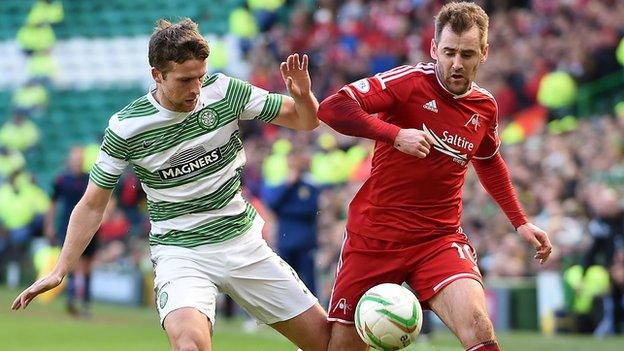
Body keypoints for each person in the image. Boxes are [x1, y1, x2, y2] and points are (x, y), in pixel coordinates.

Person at [12, 18, 330, 351]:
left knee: (329, 345)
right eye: (185, 79)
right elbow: (93, 203)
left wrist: (304, 96)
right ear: (157, 75)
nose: (196, 88)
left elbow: (306, 121)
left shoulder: (224, 92)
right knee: (190, 345)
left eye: (200, 76)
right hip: (181, 253)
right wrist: (60, 268)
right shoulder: (126, 128)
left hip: (243, 244)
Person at [316, 3, 552, 351]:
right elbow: (332, 108)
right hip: (376, 238)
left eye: (467, 54)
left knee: (478, 326)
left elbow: (489, 161)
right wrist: (395, 134)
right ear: (433, 49)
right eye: (449, 52)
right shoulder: (407, 83)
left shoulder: (484, 106)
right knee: (342, 347)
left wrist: (520, 221)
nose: (457, 63)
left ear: (484, 53)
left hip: (438, 239)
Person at [262, 147, 321, 295]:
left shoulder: (310, 184)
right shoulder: (282, 184)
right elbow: (272, 204)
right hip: (286, 239)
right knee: (287, 279)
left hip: (305, 240)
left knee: (308, 281)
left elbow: (310, 210)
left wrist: (286, 210)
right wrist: (287, 186)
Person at [44, 146, 95, 316]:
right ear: (70, 159)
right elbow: (52, 203)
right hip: (67, 225)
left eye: (80, 158)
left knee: (87, 265)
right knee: (69, 261)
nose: (77, 161)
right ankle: (72, 299)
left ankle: (86, 303)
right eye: (75, 158)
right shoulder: (62, 179)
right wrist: (50, 224)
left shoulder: (90, 178)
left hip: (88, 225)